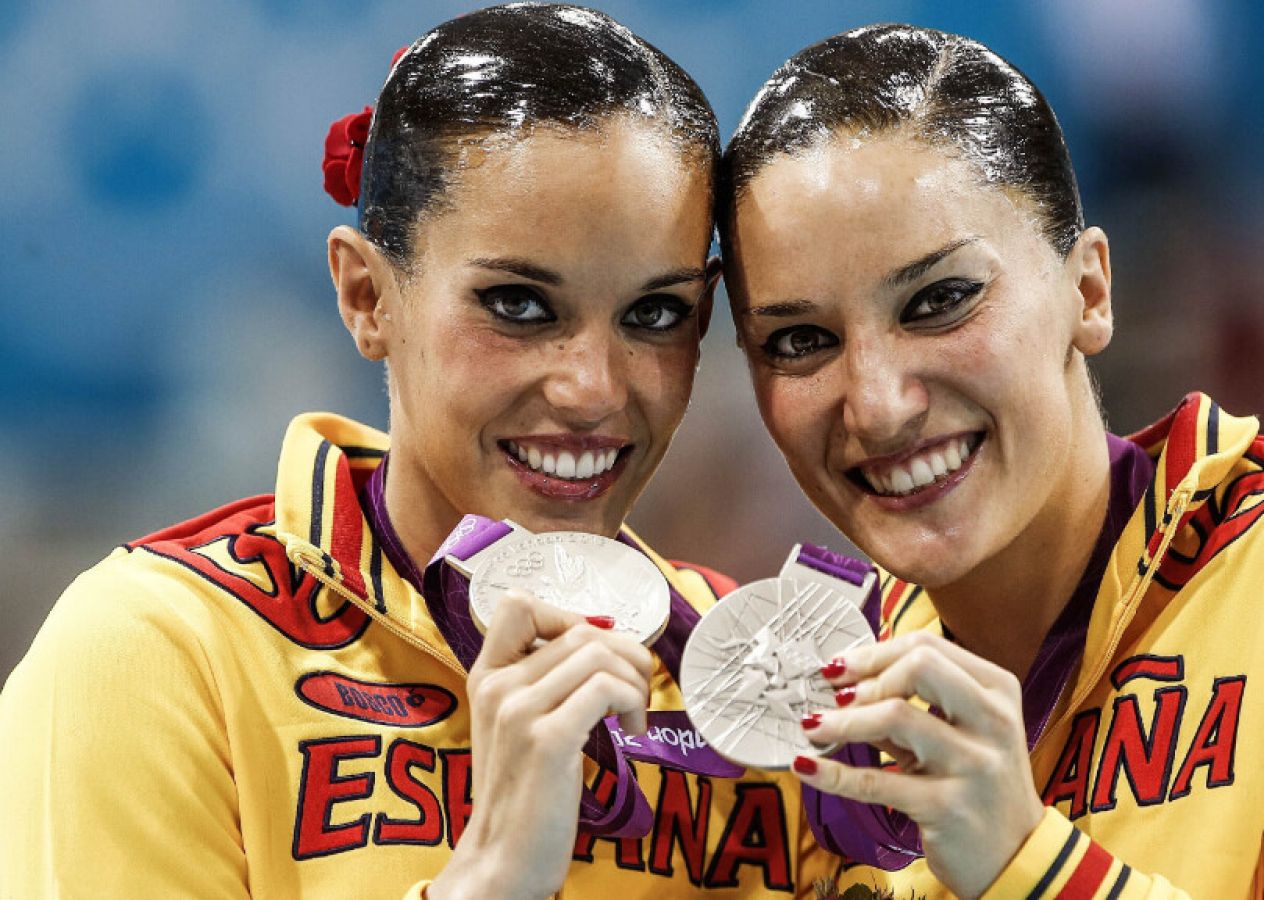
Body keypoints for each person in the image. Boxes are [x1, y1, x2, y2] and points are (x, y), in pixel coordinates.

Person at [0, 6, 834, 898]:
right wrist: (486, 880)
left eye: (655, 314)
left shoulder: (755, 676)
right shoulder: (161, 652)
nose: (594, 387)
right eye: (518, 304)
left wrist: (999, 858)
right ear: (366, 296)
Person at [717, 24, 1264, 899]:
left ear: (1088, 290)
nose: (879, 403)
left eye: (939, 300)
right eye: (801, 340)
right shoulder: (824, 710)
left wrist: (1034, 868)